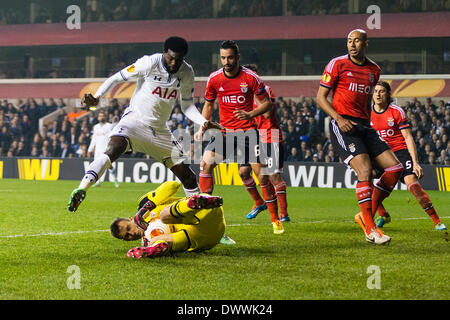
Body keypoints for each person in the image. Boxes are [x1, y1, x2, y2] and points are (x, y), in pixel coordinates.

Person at [67, 36, 222, 212]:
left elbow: (186, 105)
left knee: (188, 177)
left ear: (183, 59)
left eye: (178, 60)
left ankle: (201, 220)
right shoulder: (149, 63)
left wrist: (203, 121)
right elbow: (116, 78)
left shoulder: (187, 72)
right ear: (165, 53)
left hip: (160, 131)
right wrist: (96, 98)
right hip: (135, 121)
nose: (173, 63)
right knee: (112, 150)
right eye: (170, 58)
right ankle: (82, 188)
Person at [317, 29, 403, 244]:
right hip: (343, 124)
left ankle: (365, 216)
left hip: (365, 125)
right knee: (365, 170)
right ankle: (370, 229)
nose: (352, 44)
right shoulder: (337, 64)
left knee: (394, 169)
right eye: (349, 41)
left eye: (356, 41)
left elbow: (365, 102)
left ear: (366, 43)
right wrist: (339, 119)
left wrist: (368, 124)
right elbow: (320, 97)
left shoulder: (374, 70)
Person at [195, 40, 284, 234]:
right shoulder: (214, 79)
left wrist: (250, 115)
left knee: (262, 175)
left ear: (237, 57)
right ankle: (205, 213)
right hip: (225, 131)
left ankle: (275, 219)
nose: (226, 61)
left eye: (230, 57)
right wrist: (202, 125)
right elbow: (209, 105)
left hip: (249, 133)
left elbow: (266, 104)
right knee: (205, 164)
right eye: (223, 58)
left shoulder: (251, 78)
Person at [369, 81, 446, 231]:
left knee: (413, 185)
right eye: (376, 91)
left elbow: (408, 137)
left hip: (399, 152)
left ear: (388, 94)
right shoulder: (367, 113)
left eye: (382, 91)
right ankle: (383, 214)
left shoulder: (396, 111)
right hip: (380, 154)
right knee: (366, 179)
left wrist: (415, 162)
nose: (378, 94)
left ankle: (436, 220)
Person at [110, 181, 226, 258]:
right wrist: (151, 244)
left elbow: (173, 185)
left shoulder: (144, 204)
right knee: (155, 240)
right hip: (203, 237)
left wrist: (145, 209)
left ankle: (196, 203)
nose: (132, 233)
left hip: (206, 212)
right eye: (127, 236)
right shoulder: (147, 240)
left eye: (129, 228)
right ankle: (153, 250)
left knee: (164, 215)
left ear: (131, 219)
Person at [238, 64, 290, 226]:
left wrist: (253, 95)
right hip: (252, 137)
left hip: (270, 135)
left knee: (272, 176)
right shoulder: (242, 94)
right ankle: (260, 203)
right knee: (244, 172)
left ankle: (283, 214)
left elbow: (267, 113)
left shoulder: (265, 90)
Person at [88, 111, 119, 188]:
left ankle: (115, 179)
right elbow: (94, 139)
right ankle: (98, 183)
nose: (101, 117)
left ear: (105, 117)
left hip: (106, 149)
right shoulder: (96, 127)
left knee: (109, 166)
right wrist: (90, 149)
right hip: (97, 150)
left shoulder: (109, 126)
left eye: (103, 116)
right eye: (100, 116)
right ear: (98, 118)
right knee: (96, 167)